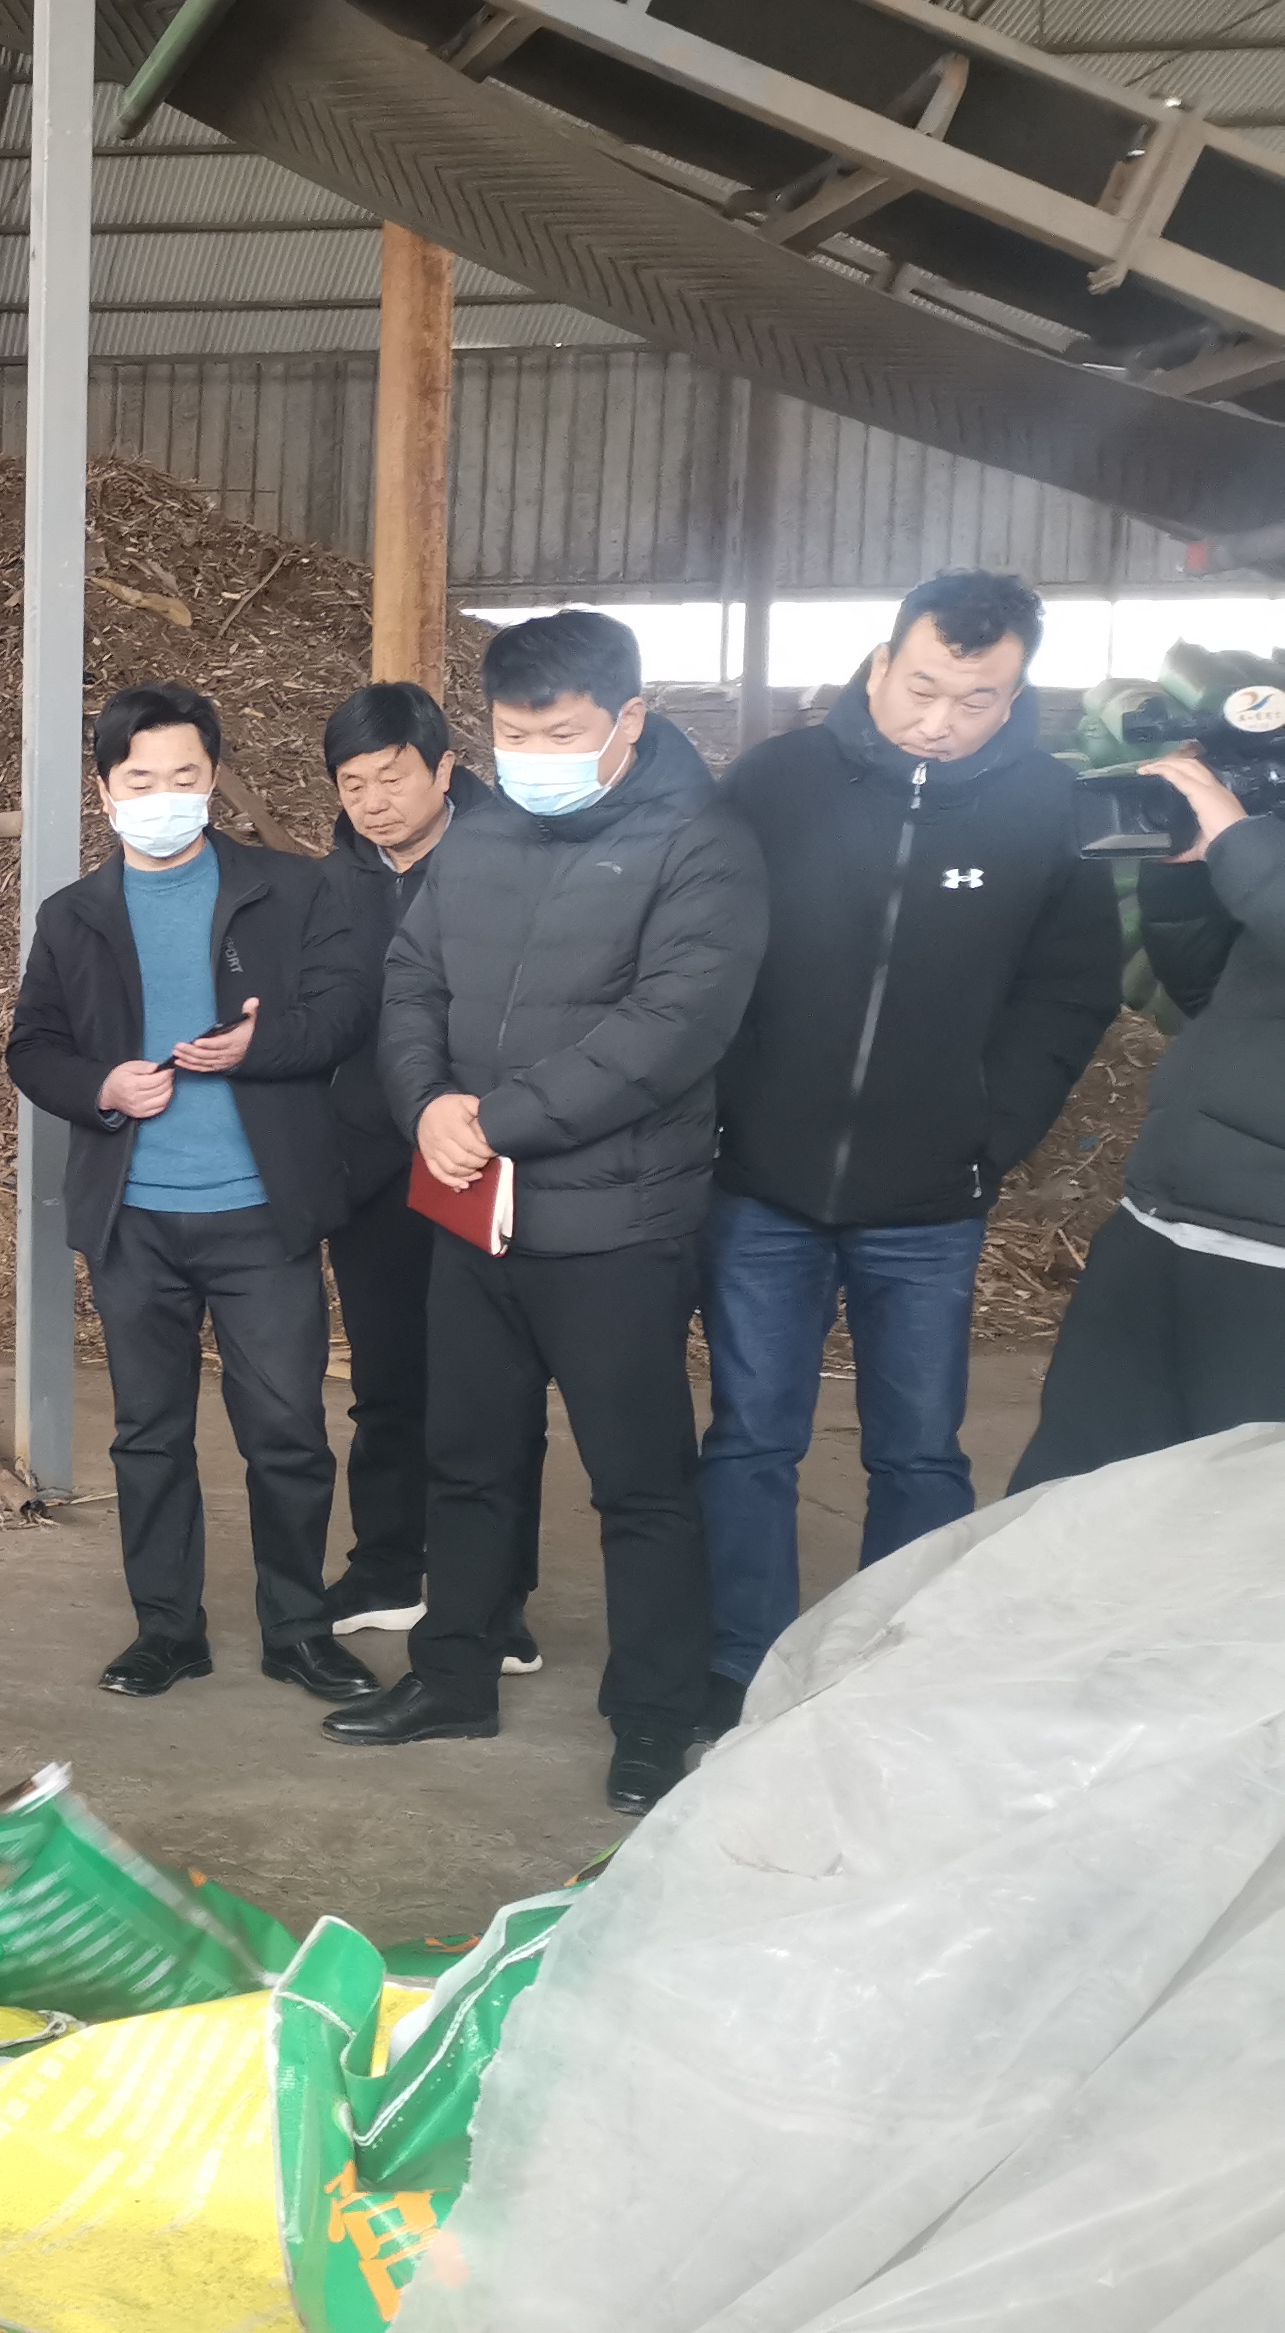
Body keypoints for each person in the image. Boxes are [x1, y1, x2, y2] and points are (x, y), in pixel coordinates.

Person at [357, 610, 768, 1816]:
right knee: (470, 1458)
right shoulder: (482, 832)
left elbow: (669, 1032)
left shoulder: (702, 847)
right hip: (472, 1210)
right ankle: (455, 1674)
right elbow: (411, 979)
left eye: (562, 734)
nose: (533, 756)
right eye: (513, 734)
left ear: (630, 718)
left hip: (614, 1225)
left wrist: (495, 1119)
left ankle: (652, 1716)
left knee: (639, 1483)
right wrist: (426, 1102)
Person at [703, 572, 1116, 1723]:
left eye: (976, 700)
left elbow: (1070, 993)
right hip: (762, 1182)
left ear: (1016, 694)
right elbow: (707, 948)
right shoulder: (777, 781)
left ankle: (891, 1675)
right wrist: (722, 1109)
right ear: (881, 664)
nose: (940, 720)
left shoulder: (1050, 809)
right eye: (923, 688)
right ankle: (739, 1667)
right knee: (751, 1439)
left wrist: (991, 1134)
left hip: (932, 1198)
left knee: (920, 1450)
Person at [4, 681, 375, 1703]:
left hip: (261, 1212)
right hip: (135, 1219)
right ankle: (167, 1630)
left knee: (287, 1431)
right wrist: (103, 1087)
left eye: (184, 777)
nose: (162, 797)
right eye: (140, 780)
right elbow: (32, 1048)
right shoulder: (74, 915)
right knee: (149, 1434)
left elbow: (347, 1014)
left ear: (213, 779)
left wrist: (262, 1046)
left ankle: (298, 1628)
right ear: (105, 791)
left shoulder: (292, 890)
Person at [313, 684, 544, 1673]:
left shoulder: (518, 861)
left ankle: (495, 1596)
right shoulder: (333, 886)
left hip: (484, 1164)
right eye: (353, 784)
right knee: (386, 1381)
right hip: (373, 1171)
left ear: (444, 768)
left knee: (492, 1391)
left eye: (393, 777)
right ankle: (387, 1566)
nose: (374, 802)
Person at [1010, 730, 1285, 1485]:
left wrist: (1242, 846)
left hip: (1269, 1259)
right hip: (1163, 1221)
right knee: (1074, 1496)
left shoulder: (1260, 855)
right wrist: (1187, 873)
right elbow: (1205, 990)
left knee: (1238, 1518)